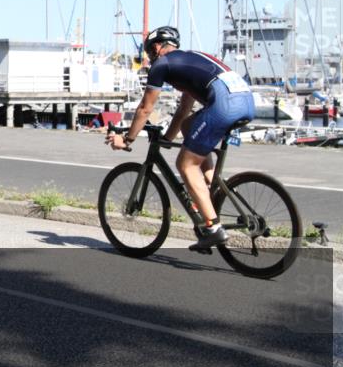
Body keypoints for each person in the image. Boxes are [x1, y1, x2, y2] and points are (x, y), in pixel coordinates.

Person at [106, 26, 256, 251]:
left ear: (157, 47)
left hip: (225, 105)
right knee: (189, 127)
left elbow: (146, 108)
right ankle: (211, 186)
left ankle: (213, 229)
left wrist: (127, 140)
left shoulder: (162, 64)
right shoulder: (191, 60)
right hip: (246, 101)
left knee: (184, 164)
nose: (150, 58)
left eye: (149, 53)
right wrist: (167, 138)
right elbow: (183, 110)